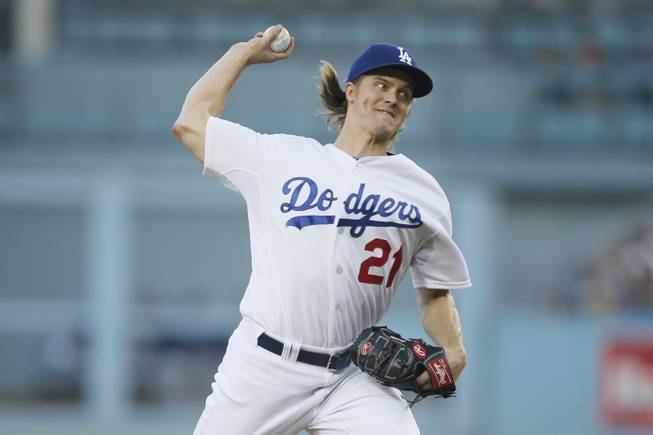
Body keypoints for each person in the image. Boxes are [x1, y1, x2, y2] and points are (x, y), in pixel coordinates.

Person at [172, 25, 472, 435]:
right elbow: (191, 123)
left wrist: (454, 348)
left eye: (404, 93)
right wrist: (242, 53)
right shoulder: (279, 157)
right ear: (351, 91)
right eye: (382, 84)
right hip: (265, 367)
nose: (393, 97)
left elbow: (435, 291)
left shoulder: (425, 193)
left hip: (353, 378)